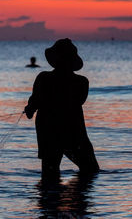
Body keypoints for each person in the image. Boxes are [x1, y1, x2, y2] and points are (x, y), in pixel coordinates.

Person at [24, 38, 99, 179]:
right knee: (90, 171)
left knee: (49, 174)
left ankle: (49, 198)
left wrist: (30, 108)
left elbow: (32, 107)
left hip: (49, 129)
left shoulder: (43, 78)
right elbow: (76, 102)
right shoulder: (82, 82)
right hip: (73, 130)